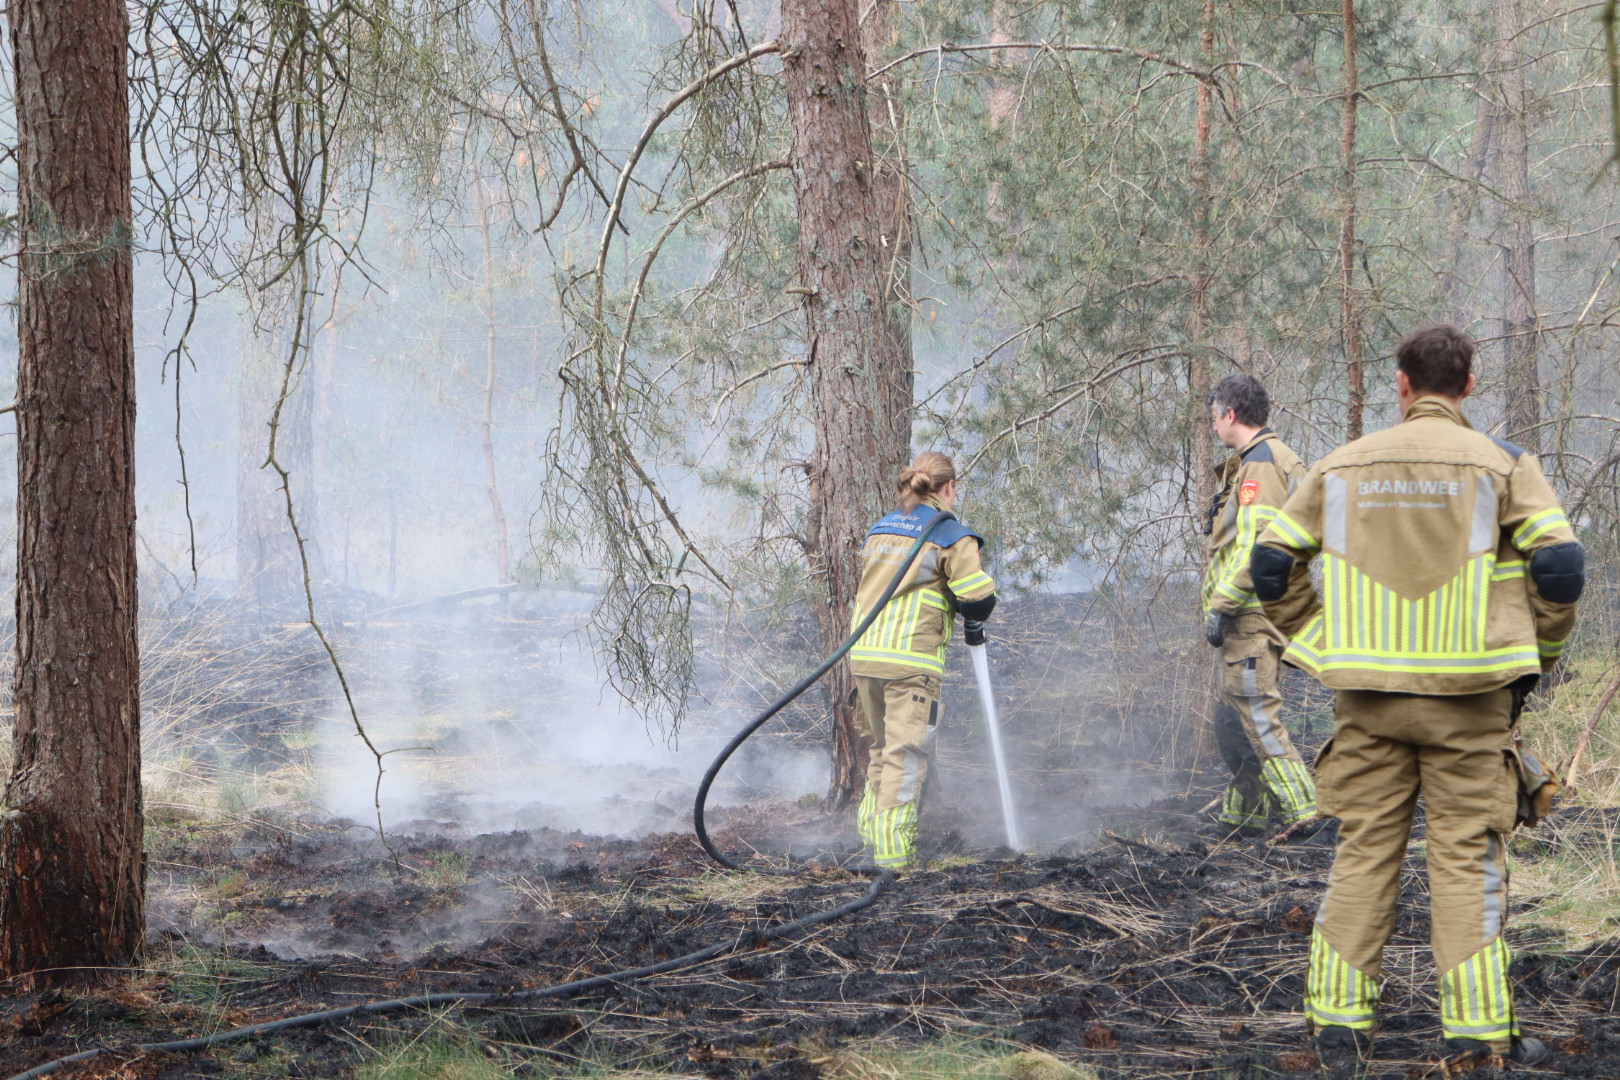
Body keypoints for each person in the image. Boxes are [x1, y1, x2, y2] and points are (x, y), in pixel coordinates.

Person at [1250, 325, 1582, 1073]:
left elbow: (1269, 564)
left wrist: (1320, 639)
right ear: (1468, 387)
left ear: (1401, 385)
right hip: (1472, 702)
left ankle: (1337, 1032)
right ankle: (1475, 1038)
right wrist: (1539, 660)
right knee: (1467, 862)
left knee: (1364, 853)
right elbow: (1560, 567)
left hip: (1365, 702)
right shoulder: (1504, 464)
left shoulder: (1340, 466)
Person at [849, 451, 997, 868]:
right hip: (910, 661)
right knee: (905, 755)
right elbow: (977, 597)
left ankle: (871, 840)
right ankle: (894, 857)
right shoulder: (951, 534)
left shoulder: (882, 528)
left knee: (882, 749)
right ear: (949, 488)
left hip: (864, 656)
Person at [1201, 374, 1319, 832]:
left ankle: (1304, 812)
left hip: (1251, 614)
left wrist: (1223, 604)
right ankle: (1246, 815)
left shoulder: (1263, 466)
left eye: (1215, 418)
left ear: (1230, 414)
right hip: (1248, 615)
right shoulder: (1256, 460)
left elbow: (1259, 547)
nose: (1213, 427)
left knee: (1256, 714)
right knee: (1232, 720)